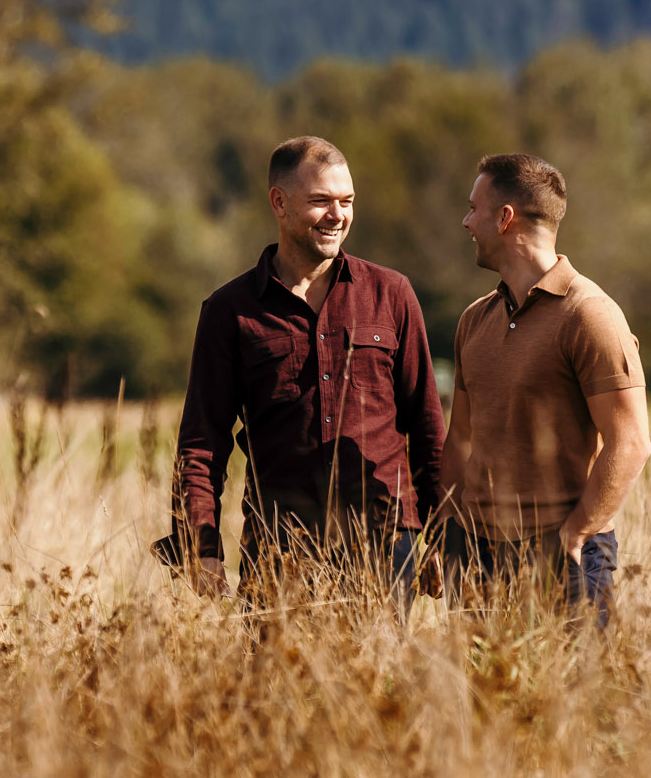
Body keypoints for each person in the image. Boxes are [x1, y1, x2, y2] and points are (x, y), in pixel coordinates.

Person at [167, 136, 444, 605]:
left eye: (347, 201)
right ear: (279, 202)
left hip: (383, 544)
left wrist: (442, 535)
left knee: (378, 680)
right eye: (321, 201)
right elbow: (202, 440)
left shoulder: (391, 294)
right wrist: (200, 544)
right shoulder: (229, 311)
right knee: (277, 681)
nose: (338, 215)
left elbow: (427, 424)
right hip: (279, 548)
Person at [442, 152, 651, 621]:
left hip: (564, 557)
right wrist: (448, 533)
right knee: (478, 696)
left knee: (573, 695)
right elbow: (461, 438)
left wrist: (575, 534)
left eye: (473, 208)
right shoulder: (475, 320)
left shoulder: (590, 314)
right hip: (476, 557)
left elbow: (632, 442)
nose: (465, 221)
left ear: (505, 218)